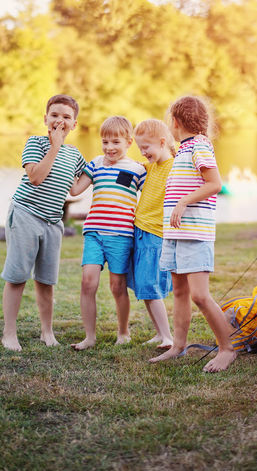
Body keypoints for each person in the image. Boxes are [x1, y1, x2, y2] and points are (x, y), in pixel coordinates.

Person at [149, 96, 236, 373]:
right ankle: (178, 345)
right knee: (179, 291)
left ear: (175, 122)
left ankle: (226, 349)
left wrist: (183, 202)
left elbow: (215, 183)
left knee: (199, 295)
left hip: (195, 232)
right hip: (175, 233)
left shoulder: (199, 146)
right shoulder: (185, 149)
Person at [1, 94, 87, 352]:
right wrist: (55, 146)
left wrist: (107, 169)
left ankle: (47, 332)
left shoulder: (75, 155)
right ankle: (9, 334)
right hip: (26, 214)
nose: (60, 121)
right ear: (46, 119)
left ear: (74, 123)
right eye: (55, 115)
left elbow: (75, 188)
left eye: (66, 117)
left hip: (53, 222)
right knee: (17, 277)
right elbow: (36, 177)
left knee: (46, 281)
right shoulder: (36, 143)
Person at [68, 116, 147, 350]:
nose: (109, 147)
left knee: (117, 287)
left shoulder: (138, 170)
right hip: (94, 232)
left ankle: (123, 331)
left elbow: (154, 196)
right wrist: (71, 159)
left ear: (128, 142)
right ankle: (89, 337)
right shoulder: (95, 164)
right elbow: (75, 190)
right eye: (105, 142)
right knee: (87, 283)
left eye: (115, 142)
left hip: (121, 236)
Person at [130, 119, 177, 349]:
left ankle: (168, 336)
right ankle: (159, 333)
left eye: (146, 147)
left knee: (151, 284)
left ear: (162, 142)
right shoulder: (151, 167)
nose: (143, 152)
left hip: (155, 234)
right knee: (143, 286)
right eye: (140, 148)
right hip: (140, 231)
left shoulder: (175, 168)